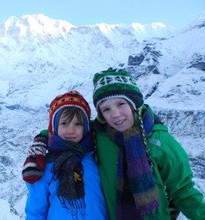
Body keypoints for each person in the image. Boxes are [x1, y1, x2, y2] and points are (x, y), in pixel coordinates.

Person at [22, 68, 205, 219]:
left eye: (121, 104)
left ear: (135, 104)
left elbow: (183, 190)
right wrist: (40, 142)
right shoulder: (101, 133)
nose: (115, 114)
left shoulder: (160, 142)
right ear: (100, 114)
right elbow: (64, 131)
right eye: (106, 109)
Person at [24, 90, 108, 219]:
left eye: (77, 124)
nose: (71, 130)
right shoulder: (46, 165)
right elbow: (35, 210)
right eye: (64, 123)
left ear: (86, 127)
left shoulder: (96, 157)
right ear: (54, 127)